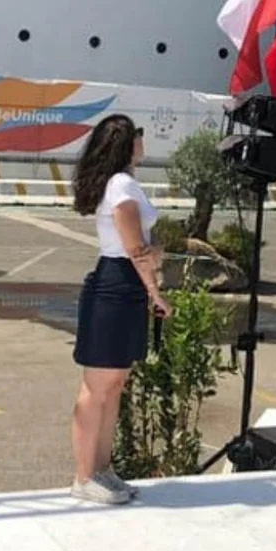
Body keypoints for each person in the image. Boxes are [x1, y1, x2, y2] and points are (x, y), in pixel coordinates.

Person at [69, 115, 169, 506]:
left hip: (121, 282)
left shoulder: (119, 183)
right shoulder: (121, 185)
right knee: (99, 387)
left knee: (113, 385)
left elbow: (137, 248)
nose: (143, 140)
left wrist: (149, 273)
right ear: (127, 143)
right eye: (138, 134)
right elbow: (136, 248)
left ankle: (101, 469)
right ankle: (84, 475)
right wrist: (155, 289)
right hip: (117, 283)